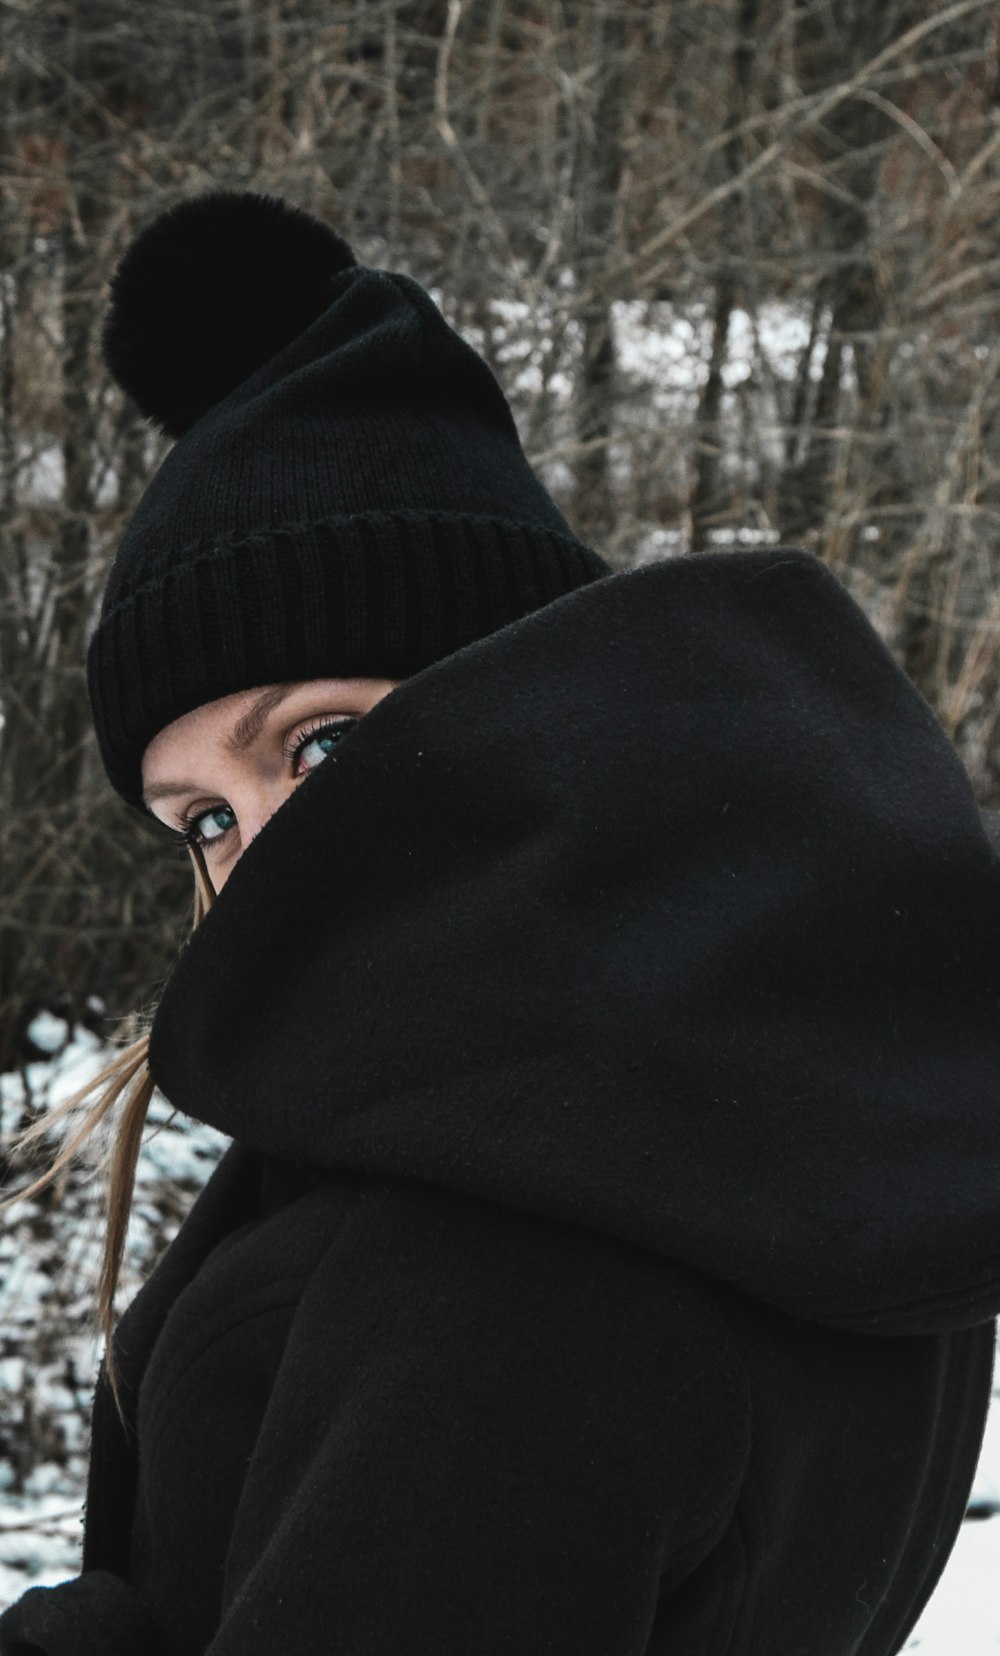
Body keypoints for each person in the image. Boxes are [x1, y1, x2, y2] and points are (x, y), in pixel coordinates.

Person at [1, 189, 999, 1656]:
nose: (256, 865)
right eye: (201, 819)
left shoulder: (498, 1243)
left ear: (524, 705)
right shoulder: (818, 1106)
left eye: (320, 747)